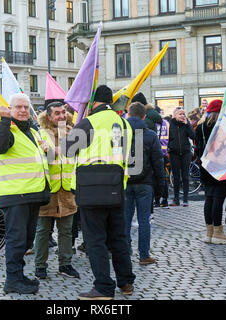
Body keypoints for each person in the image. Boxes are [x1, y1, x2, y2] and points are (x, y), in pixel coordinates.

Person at [63, 85, 135, 300]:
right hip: (116, 188)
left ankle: (103, 287)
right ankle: (126, 282)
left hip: (91, 189)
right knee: (118, 237)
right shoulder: (125, 123)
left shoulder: (89, 122)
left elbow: (68, 150)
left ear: (93, 102)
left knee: (95, 240)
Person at [0, 92, 50, 295]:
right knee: (17, 240)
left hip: (32, 193)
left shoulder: (32, 131)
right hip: (16, 195)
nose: (23, 110)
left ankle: (19, 275)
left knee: (26, 240)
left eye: (26, 107)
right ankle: (13, 280)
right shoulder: (6, 129)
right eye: (18, 107)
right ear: (10, 109)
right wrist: (4, 120)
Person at [33, 101, 80, 280]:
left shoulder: (72, 134)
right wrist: (47, 150)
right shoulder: (39, 134)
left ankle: (65, 265)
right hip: (47, 191)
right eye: (57, 113)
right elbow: (39, 158)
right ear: (49, 116)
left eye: (63, 112)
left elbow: (78, 157)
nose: (62, 116)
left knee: (66, 231)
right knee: (43, 231)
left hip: (67, 190)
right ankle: (40, 266)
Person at [124, 102, 166, 264]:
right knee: (144, 220)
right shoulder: (150, 135)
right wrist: (160, 186)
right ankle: (144, 255)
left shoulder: (120, 134)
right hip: (145, 183)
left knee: (125, 219)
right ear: (144, 116)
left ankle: (125, 252)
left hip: (125, 181)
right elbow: (158, 163)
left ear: (128, 114)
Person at [196, 100, 226, 245]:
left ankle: (209, 232)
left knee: (209, 199)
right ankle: (218, 233)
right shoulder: (222, 128)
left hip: (205, 166)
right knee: (218, 199)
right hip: (220, 166)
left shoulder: (200, 128)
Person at [168, 107, 195, 207]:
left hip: (185, 153)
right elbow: (168, 138)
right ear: (175, 115)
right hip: (174, 153)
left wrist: (187, 125)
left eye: (184, 114)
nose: (182, 116)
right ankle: (176, 199)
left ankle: (185, 199)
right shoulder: (170, 124)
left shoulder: (186, 125)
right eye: (180, 114)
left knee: (185, 176)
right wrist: (169, 148)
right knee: (176, 177)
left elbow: (193, 136)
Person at [155, 113, 170, 208]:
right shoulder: (167, 123)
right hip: (165, 154)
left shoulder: (152, 123)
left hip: (155, 153)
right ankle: (164, 199)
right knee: (163, 177)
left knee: (155, 178)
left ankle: (157, 200)